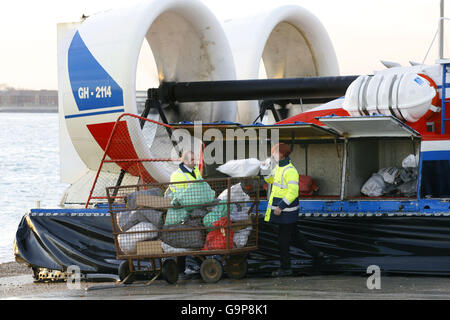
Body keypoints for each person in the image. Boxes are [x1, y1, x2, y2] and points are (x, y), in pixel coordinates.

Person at [264, 143, 328, 277]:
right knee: (296, 237)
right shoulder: (278, 168)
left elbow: (293, 192)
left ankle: (286, 268)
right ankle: (318, 254)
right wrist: (265, 169)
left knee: (283, 241)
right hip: (283, 212)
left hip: (286, 212)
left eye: (274, 152)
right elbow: (270, 180)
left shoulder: (290, 171)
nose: (273, 155)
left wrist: (280, 206)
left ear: (282, 154)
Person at [166, 150, 203, 280]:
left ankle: (186, 267)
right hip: (183, 211)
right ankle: (187, 266)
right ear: (186, 161)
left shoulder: (195, 171)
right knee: (184, 238)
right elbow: (178, 194)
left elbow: (201, 185)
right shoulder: (177, 175)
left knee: (188, 238)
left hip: (195, 209)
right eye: (192, 160)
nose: (195, 162)